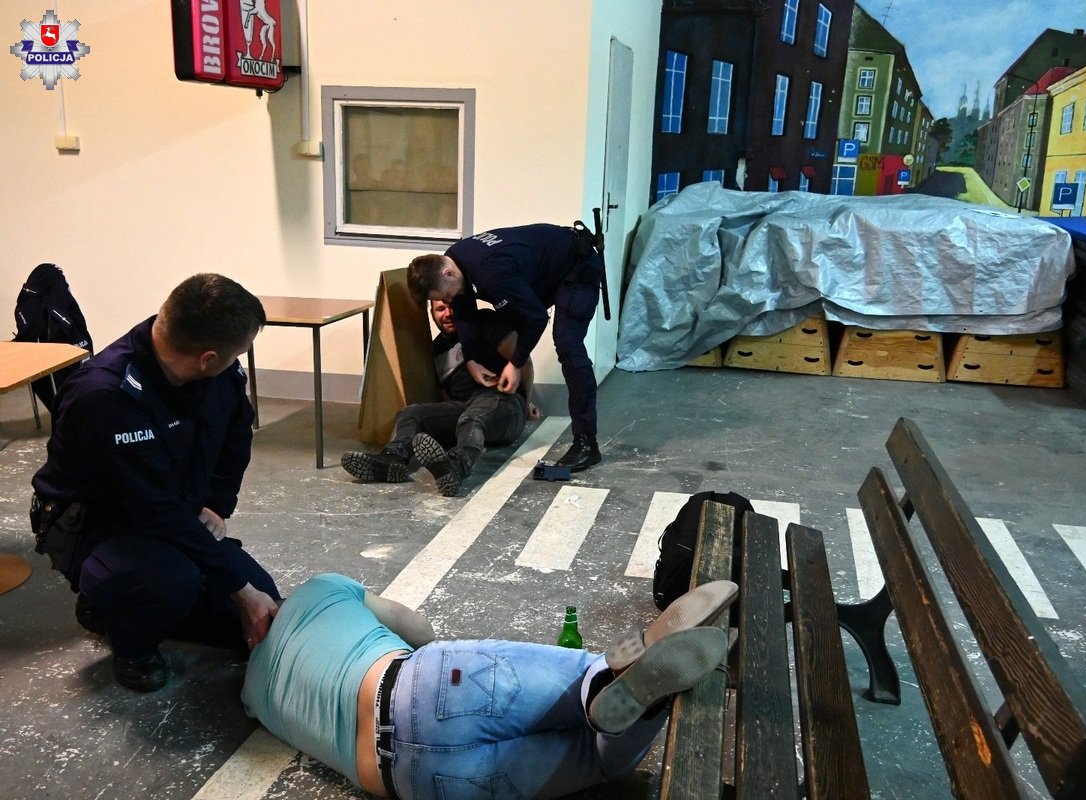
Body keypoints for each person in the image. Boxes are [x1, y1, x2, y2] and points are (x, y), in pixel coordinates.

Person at [243, 574, 737, 799]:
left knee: (598, 762)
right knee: (585, 682)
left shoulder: (253, 696)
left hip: (411, 782)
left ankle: (646, 707)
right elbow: (420, 630)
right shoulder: (319, 591)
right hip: (425, 685)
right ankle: (603, 679)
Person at [30, 274, 280, 692]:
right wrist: (238, 587)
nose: (238, 360)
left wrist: (217, 504)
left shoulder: (217, 375)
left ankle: (132, 602)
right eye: (238, 352)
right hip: (98, 525)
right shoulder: (105, 396)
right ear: (207, 358)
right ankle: (128, 638)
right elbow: (151, 509)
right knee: (170, 583)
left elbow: (235, 439)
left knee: (261, 610)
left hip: (171, 509)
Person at [406, 223, 604, 473]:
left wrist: (516, 362)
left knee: (568, 346)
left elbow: (536, 318)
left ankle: (587, 444)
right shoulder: (454, 258)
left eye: (445, 295)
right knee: (510, 318)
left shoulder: (490, 273)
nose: (447, 302)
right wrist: (472, 359)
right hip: (543, 267)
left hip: (577, 266)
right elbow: (465, 310)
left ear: (447, 273)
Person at [341, 300, 538, 497]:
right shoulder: (435, 350)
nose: (448, 313)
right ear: (432, 313)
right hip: (465, 408)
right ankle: (392, 460)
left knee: (474, 416)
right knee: (411, 414)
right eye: (440, 309)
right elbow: (445, 397)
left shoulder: (485, 321)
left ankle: (457, 466)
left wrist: (525, 402)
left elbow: (524, 363)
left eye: (452, 306)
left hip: (504, 403)